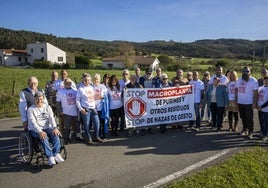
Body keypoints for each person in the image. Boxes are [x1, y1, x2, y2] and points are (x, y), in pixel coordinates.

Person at [27, 91, 64, 167]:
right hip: (34, 130)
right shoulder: (31, 109)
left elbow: (52, 118)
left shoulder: (47, 107)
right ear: (34, 99)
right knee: (44, 137)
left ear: (43, 99)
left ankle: (56, 153)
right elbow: (33, 122)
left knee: (55, 134)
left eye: (41, 99)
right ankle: (50, 156)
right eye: (37, 99)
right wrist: (40, 131)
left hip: (47, 127)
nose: (39, 101)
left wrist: (55, 128)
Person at [76, 74, 103, 145]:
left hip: (93, 108)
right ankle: (88, 138)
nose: (87, 81)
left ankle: (96, 137)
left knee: (97, 123)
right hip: (85, 109)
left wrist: (99, 97)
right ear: (83, 80)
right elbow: (77, 100)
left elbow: (93, 97)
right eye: (85, 80)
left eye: (88, 80)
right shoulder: (80, 89)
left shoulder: (91, 87)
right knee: (87, 125)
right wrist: (81, 109)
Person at [56, 78, 83, 144]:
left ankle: (78, 136)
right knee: (67, 127)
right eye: (67, 83)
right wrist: (60, 111)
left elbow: (79, 100)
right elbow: (58, 102)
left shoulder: (75, 90)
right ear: (64, 84)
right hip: (66, 112)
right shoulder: (60, 91)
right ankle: (67, 138)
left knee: (77, 125)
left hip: (75, 112)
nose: (68, 84)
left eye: (70, 82)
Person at [236, 66, 258, 139]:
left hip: (249, 103)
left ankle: (251, 132)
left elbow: (255, 93)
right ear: (242, 72)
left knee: (249, 118)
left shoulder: (253, 80)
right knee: (242, 117)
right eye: (244, 71)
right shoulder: (239, 80)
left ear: (250, 72)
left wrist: (254, 103)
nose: (245, 73)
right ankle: (245, 129)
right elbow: (237, 91)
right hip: (240, 102)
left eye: (247, 71)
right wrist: (236, 100)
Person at [93, 73, 109, 139]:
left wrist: (103, 96)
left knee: (103, 122)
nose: (96, 80)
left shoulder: (102, 86)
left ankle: (104, 134)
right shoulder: (91, 87)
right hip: (94, 108)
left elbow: (106, 96)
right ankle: (98, 135)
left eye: (97, 79)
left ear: (99, 79)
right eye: (95, 79)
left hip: (102, 108)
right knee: (97, 123)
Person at [256, 76, 268, 140]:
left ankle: (266, 135)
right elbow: (257, 97)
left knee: (266, 122)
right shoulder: (260, 88)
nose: (266, 81)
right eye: (264, 80)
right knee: (261, 122)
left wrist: (262, 107)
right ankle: (263, 133)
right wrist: (257, 105)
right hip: (259, 108)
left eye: (267, 80)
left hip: (266, 109)